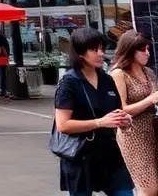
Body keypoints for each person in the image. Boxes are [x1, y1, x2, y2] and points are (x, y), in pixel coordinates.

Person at [53, 27, 134, 196]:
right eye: (94, 49)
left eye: (102, 49)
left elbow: (117, 112)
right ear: (80, 52)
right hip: (81, 155)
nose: (100, 54)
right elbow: (63, 125)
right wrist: (100, 122)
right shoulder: (70, 82)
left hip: (110, 153)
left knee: (125, 192)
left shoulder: (107, 80)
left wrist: (124, 121)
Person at [110, 30, 158, 196]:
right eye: (143, 50)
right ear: (130, 50)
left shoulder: (149, 72)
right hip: (133, 134)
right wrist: (150, 100)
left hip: (155, 130)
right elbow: (121, 109)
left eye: (148, 49)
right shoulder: (119, 74)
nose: (147, 53)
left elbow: (157, 102)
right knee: (148, 188)